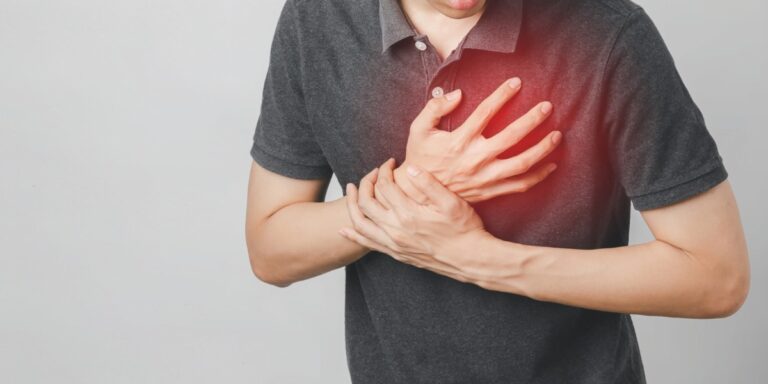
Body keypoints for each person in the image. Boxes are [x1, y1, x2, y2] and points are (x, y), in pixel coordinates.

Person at [245, 0, 751, 382]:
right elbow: (272, 250)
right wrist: (419, 184)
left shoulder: (608, 32)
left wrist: (479, 259)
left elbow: (715, 276)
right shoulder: (316, 21)